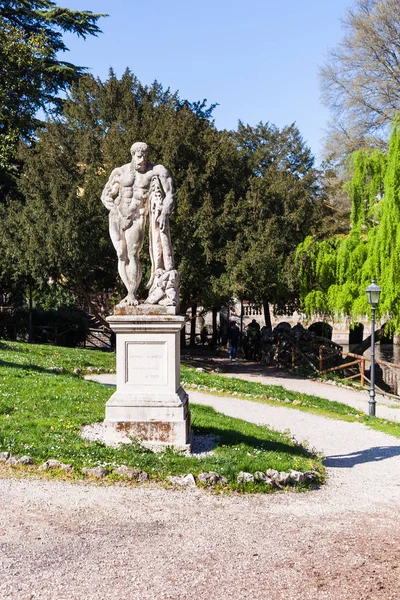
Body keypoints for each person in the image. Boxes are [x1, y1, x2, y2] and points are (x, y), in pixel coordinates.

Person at [101, 142, 176, 307]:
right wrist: (117, 212)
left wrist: (164, 212)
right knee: (121, 254)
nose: (141, 159)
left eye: (144, 156)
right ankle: (128, 291)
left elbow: (170, 194)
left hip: (136, 218)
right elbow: (106, 196)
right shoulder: (120, 172)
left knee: (133, 254)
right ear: (132, 155)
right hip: (117, 216)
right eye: (138, 156)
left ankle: (132, 293)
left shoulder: (156, 171)